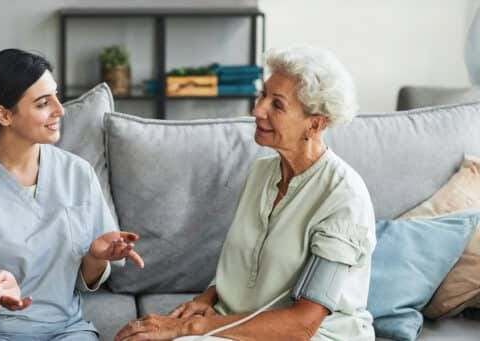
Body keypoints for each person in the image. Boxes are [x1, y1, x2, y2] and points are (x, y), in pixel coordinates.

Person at [115, 45, 376, 341]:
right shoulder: (261, 174)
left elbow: (303, 325)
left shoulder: (343, 198)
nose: (257, 110)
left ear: (314, 124)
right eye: (262, 95)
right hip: (239, 325)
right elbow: (244, 268)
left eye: (277, 105)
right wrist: (207, 299)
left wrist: (191, 328)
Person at [0, 48, 145, 340]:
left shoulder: (78, 173)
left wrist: (95, 257)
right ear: (3, 114)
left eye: (56, 95)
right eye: (43, 103)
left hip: (61, 330)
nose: (60, 109)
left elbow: (82, 281)